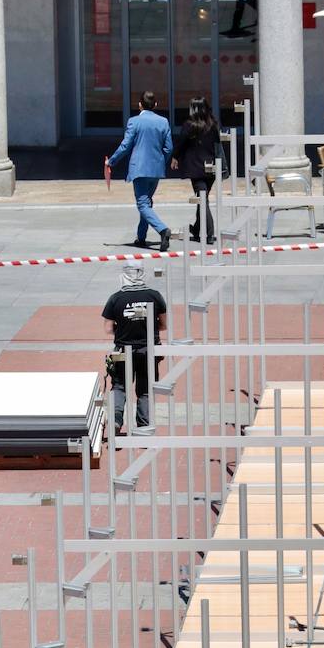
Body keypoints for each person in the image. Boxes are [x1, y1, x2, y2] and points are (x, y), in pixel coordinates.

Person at [105, 92, 174, 252]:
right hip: (156, 169)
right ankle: (141, 237)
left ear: (139, 105)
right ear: (155, 105)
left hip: (140, 168)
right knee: (147, 202)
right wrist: (159, 160)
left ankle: (163, 230)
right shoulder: (163, 122)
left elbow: (125, 145)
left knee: (142, 204)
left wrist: (112, 161)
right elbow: (169, 147)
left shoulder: (134, 122)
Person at [102, 263, 166, 433]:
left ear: (123, 276)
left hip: (123, 350)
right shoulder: (155, 296)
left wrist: (123, 329)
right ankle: (144, 426)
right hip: (148, 350)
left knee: (119, 387)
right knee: (145, 390)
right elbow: (164, 324)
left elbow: (108, 329)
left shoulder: (115, 298)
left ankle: (115, 421)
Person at [171, 96, 219, 245]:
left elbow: (180, 144)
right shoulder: (213, 124)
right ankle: (197, 229)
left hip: (196, 169)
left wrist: (175, 157)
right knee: (202, 199)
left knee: (202, 200)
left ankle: (209, 234)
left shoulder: (189, 125)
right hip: (211, 168)